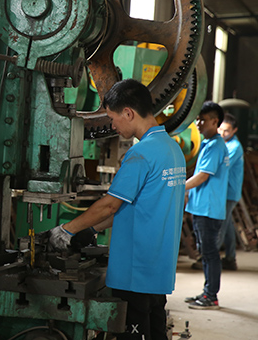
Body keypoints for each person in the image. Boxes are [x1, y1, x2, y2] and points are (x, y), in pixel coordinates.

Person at [49, 79, 186, 340]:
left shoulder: (141, 154)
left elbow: (111, 204)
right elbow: (138, 206)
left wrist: (66, 230)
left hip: (135, 270)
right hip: (158, 268)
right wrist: (91, 229)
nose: (112, 126)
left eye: (113, 118)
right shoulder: (172, 150)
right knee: (155, 332)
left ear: (128, 113)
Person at [184, 101, 229, 310]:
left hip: (208, 210)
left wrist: (178, 187)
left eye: (203, 120)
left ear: (215, 121)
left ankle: (211, 296)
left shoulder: (215, 146)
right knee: (206, 252)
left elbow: (202, 176)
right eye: (198, 119)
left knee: (210, 253)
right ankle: (207, 292)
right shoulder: (209, 143)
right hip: (202, 207)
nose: (198, 123)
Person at [217, 113, 244, 270]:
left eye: (226, 130)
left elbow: (220, 166)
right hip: (225, 191)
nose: (222, 133)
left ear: (234, 130)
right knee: (227, 225)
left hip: (229, 192)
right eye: (220, 129)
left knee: (221, 224)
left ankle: (211, 257)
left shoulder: (234, 147)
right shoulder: (224, 143)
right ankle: (230, 258)